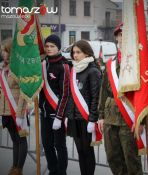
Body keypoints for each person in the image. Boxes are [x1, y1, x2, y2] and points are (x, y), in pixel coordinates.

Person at [98, 23, 143, 175]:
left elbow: (144, 94)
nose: (123, 38)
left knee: (131, 160)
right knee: (113, 158)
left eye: (127, 35)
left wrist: (141, 120)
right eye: (120, 35)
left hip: (129, 119)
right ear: (117, 37)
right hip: (110, 118)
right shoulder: (110, 64)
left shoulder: (139, 63)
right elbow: (103, 91)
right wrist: (101, 116)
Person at [65, 40, 102, 175]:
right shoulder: (73, 70)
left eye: (78, 52)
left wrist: (92, 119)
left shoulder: (93, 71)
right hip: (74, 117)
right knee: (80, 151)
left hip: (86, 118)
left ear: (86, 53)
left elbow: (95, 98)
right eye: (73, 52)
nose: (75, 55)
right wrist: (68, 116)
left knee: (87, 151)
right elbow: (70, 96)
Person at [39, 34, 70, 175]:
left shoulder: (64, 66)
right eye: (47, 46)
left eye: (52, 46)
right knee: (47, 145)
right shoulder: (43, 64)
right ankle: (53, 171)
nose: (49, 48)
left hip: (57, 113)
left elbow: (65, 93)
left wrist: (59, 116)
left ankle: (61, 172)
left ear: (58, 48)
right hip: (45, 112)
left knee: (59, 145)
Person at [0, 38, 28, 175]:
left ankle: (19, 169)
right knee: (14, 140)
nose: (3, 53)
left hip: (17, 110)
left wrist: (20, 113)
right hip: (5, 110)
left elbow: (24, 92)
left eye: (5, 50)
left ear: (11, 51)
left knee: (21, 139)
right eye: (2, 51)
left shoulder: (19, 68)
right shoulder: (2, 67)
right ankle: (14, 166)